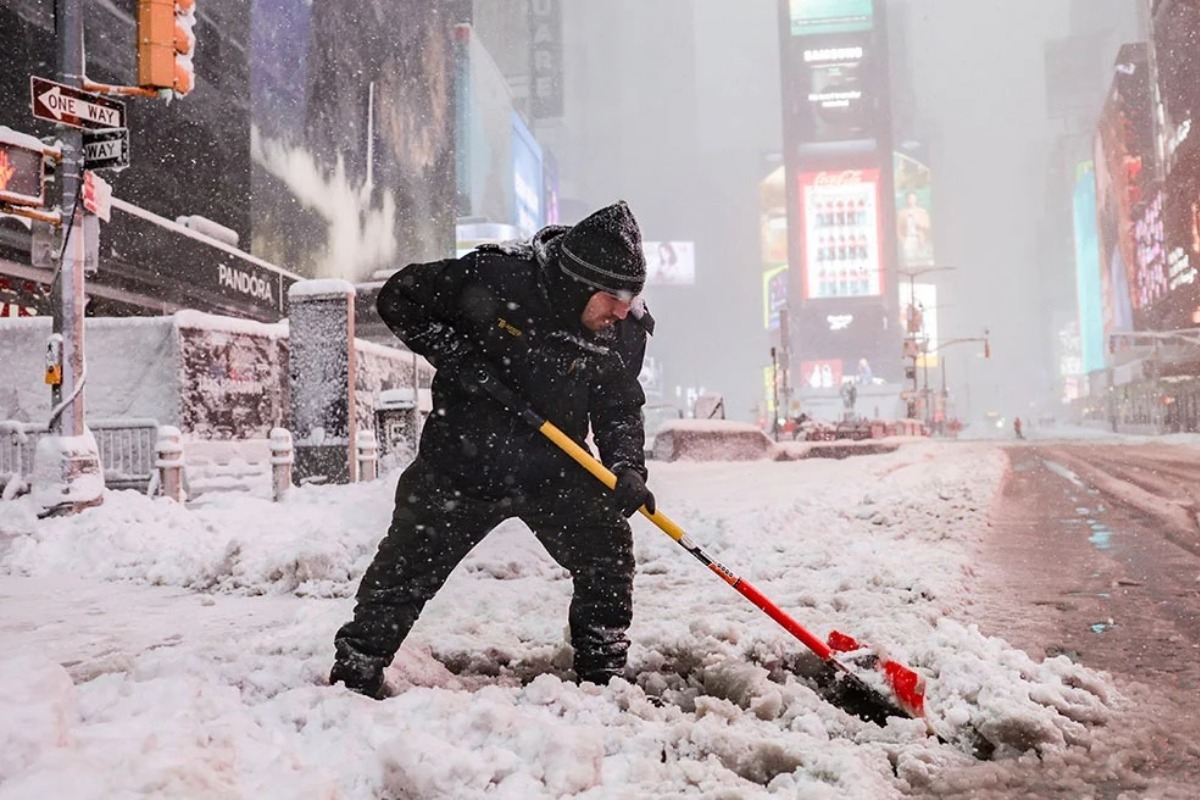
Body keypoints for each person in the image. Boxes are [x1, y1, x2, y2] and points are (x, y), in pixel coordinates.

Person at [330, 201, 657, 698]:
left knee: (607, 551)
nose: (622, 308)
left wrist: (626, 465)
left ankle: (603, 673)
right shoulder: (497, 277)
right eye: (613, 294)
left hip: (557, 468)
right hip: (462, 464)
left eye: (632, 294)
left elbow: (617, 405)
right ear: (577, 282)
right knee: (406, 568)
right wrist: (455, 355)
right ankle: (357, 668)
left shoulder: (623, 329)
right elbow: (399, 298)